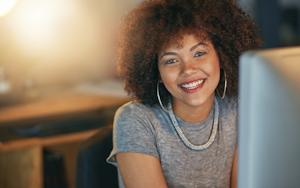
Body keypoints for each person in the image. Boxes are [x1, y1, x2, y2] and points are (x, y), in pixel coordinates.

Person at [107, 0, 263, 187]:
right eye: (171, 60)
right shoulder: (136, 120)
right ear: (156, 73)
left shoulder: (238, 108)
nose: (188, 69)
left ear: (221, 56)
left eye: (199, 53)